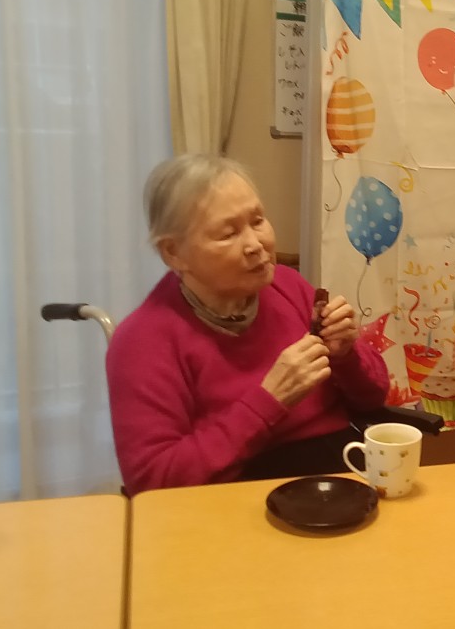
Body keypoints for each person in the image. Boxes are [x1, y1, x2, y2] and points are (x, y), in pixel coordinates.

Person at [107, 154, 388, 494]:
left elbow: (374, 397)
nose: (256, 245)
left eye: (258, 221)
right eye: (228, 234)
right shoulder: (142, 341)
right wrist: (269, 400)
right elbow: (153, 481)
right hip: (232, 496)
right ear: (174, 253)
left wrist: (345, 355)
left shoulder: (289, 287)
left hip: (339, 475)